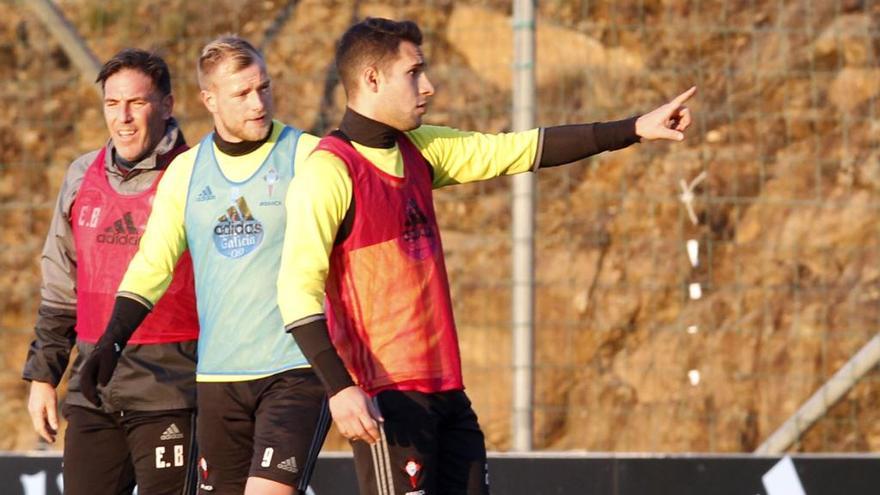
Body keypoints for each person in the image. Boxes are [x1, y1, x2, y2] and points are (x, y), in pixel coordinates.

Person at [276, 17, 695, 495]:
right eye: (414, 73)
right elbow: (296, 292)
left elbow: (520, 149)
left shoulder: (422, 149)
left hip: (448, 392)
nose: (428, 86)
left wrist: (635, 129)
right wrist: (341, 388)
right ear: (372, 79)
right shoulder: (329, 172)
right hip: (387, 398)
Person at [78, 36, 329, 495]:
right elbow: (152, 263)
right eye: (242, 93)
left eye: (264, 88)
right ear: (209, 99)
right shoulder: (187, 171)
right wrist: (111, 340)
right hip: (217, 377)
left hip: (293, 367)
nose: (258, 103)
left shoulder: (310, 155)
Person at [22, 49, 199, 495]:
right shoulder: (81, 175)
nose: (123, 118)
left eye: (136, 103)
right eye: (111, 104)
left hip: (172, 392)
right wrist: (44, 375)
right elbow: (61, 286)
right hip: (94, 389)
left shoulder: (198, 177)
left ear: (166, 105)